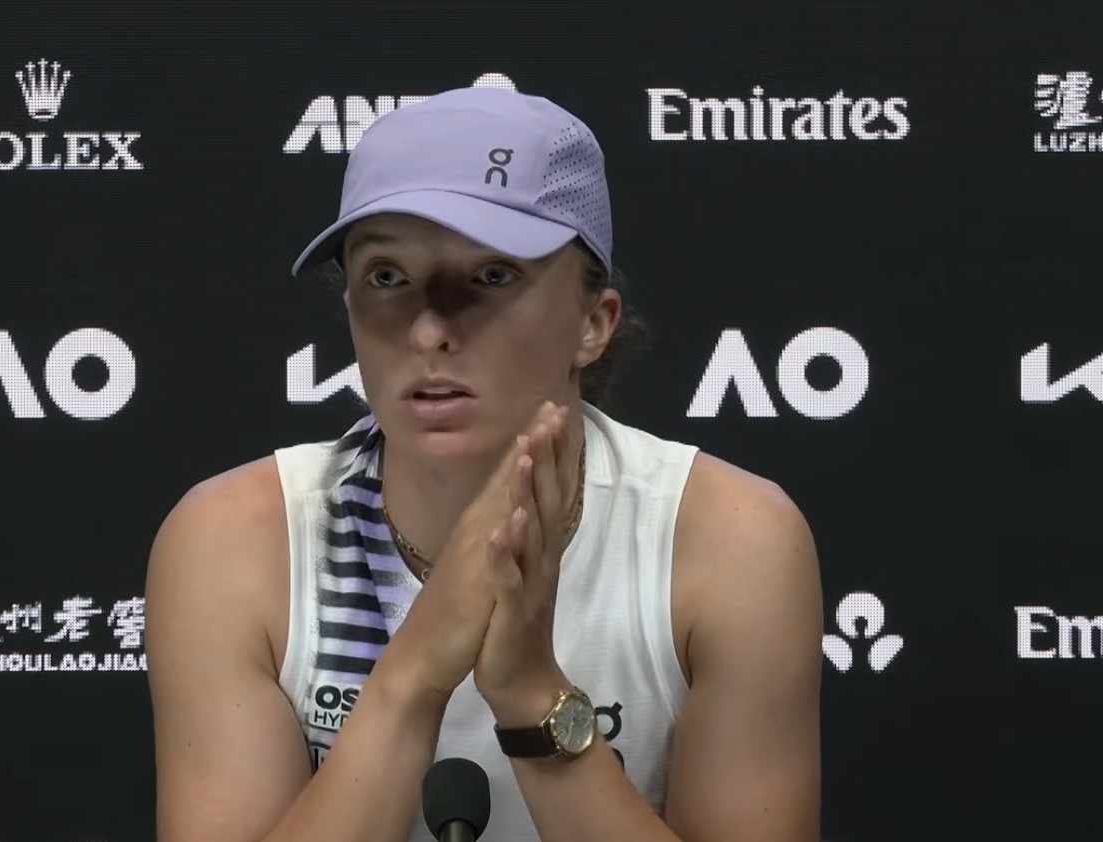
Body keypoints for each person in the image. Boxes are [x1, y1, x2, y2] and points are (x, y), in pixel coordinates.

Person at [145, 86, 822, 842]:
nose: (428, 331)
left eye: (492, 275)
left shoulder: (730, 541)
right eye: (386, 277)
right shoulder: (238, 541)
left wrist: (531, 694)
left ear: (592, 323)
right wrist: (413, 673)